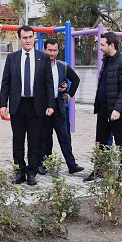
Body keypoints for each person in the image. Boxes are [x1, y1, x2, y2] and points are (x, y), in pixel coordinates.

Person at [0, 25, 55, 186]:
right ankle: (19, 171)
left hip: (36, 106)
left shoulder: (43, 58)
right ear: (20, 39)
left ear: (34, 37)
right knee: (18, 140)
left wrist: (50, 104)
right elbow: (5, 82)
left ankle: (32, 172)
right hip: (17, 105)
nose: (28, 40)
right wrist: (3, 105)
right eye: (25, 38)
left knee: (34, 141)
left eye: (30, 37)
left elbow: (49, 83)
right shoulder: (12, 58)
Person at [84, 32, 122, 182]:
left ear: (111, 45)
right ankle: (99, 170)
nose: (100, 47)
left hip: (117, 111)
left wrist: (118, 109)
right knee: (100, 142)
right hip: (103, 109)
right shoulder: (107, 61)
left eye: (102, 44)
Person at [36, 38, 84, 175]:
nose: (52, 53)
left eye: (55, 50)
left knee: (65, 137)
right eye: (49, 50)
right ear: (44, 50)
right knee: (44, 138)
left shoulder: (63, 66)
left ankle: (71, 165)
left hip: (59, 107)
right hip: (44, 108)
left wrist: (68, 94)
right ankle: (43, 164)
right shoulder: (38, 66)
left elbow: (76, 79)